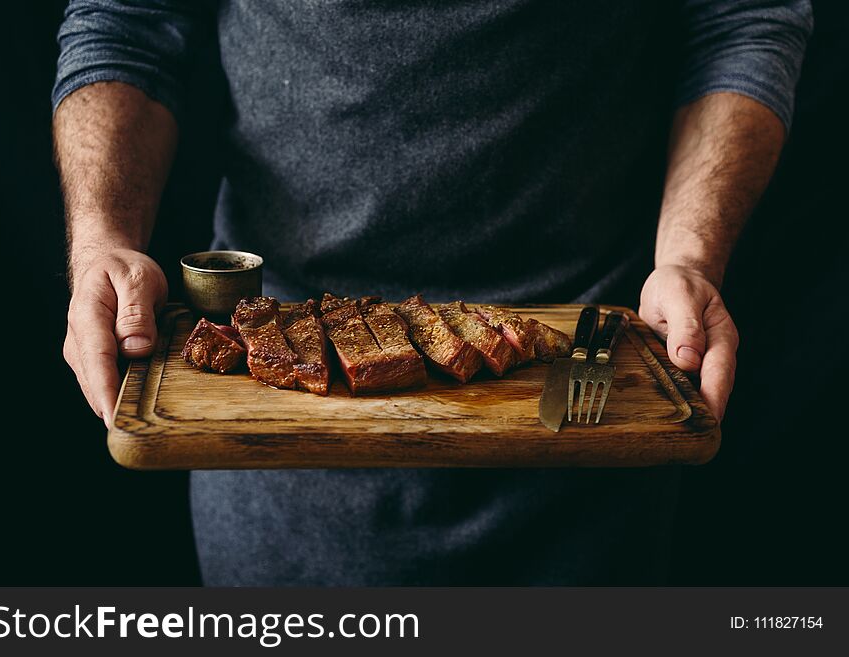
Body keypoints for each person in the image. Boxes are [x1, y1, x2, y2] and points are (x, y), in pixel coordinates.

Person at [53, 0, 812, 585]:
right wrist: (103, 242)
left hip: (586, 418)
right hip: (276, 436)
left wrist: (690, 257)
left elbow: (740, 18)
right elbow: (128, 19)